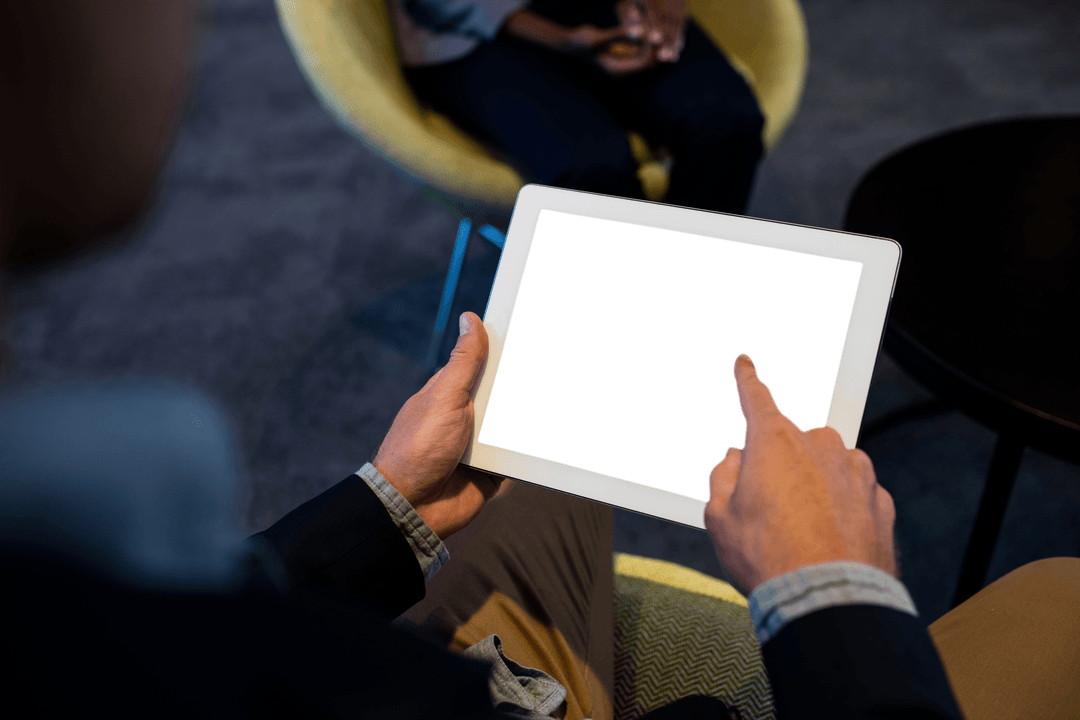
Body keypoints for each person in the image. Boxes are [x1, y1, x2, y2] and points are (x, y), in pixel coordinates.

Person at [1, 2, 1078, 719]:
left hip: (438, 619)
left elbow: (230, 613)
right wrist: (830, 590)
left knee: (534, 449)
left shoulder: (92, 584)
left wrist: (384, 507)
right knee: (1068, 600)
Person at [392, 0, 766, 215]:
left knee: (727, 122)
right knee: (592, 171)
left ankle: (689, 308)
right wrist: (566, 41)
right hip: (464, 28)